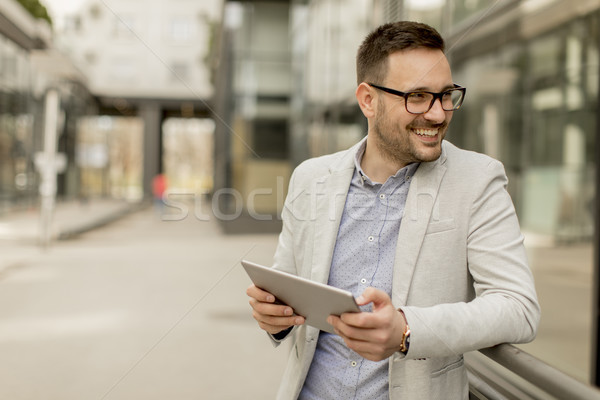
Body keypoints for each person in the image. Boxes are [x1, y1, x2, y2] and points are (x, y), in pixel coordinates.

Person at [246, 21, 540, 400]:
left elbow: (518, 307)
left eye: (446, 95)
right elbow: (287, 285)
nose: (438, 114)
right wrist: (274, 318)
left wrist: (406, 329)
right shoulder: (310, 178)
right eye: (417, 96)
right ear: (368, 100)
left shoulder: (478, 180)